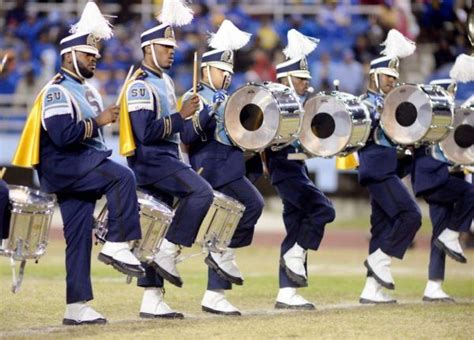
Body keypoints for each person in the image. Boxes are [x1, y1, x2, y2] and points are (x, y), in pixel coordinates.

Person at [12, 2, 144, 325]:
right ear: (69, 56)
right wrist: (99, 120)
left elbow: (87, 134)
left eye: (96, 56)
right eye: (88, 56)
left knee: (80, 236)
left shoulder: (89, 92)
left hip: (78, 165)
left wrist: (105, 119)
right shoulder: (56, 91)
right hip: (65, 166)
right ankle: (116, 242)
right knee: (122, 179)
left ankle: (77, 305)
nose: (94, 60)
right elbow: (62, 136)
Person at [121, 1, 214, 319]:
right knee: (202, 193)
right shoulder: (140, 85)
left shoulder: (165, 81)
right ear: (148, 49)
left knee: (154, 229)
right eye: (164, 46)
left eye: (172, 46)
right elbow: (146, 132)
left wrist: (192, 115)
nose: (171, 51)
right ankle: (170, 250)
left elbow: (175, 128)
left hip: (166, 156)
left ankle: (152, 299)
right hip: (151, 161)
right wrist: (180, 115)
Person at [180, 20, 264, 316]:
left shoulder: (229, 99)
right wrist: (209, 111)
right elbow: (188, 137)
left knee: (224, 227)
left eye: (229, 72)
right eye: (221, 71)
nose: (227, 77)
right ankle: (222, 255)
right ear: (205, 71)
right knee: (253, 204)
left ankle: (214, 294)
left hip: (232, 168)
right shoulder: (194, 98)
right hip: (211, 170)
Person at [268, 29, 335, 310]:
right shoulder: (272, 99)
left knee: (296, 225)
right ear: (284, 78)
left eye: (307, 79)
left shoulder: (300, 103)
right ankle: (295, 256)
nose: (306, 85)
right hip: (284, 167)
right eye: (300, 79)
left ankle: (287, 292)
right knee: (324, 210)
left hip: (297, 166)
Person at [358, 30, 422, 304]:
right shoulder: (364, 104)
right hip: (377, 169)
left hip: (391, 169)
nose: (392, 82)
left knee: (382, 226)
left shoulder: (394, 104)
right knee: (411, 215)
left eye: (395, 78)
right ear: (374, 77)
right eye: (388, 77)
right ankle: (379, 259)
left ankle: (371, 290)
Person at [411, 78, 473, 302]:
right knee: (470, 193)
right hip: (432, 179)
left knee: (439, 232)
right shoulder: (425, 118)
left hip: (442, 177)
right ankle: (453, 233)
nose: (451, 96)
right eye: (448, 92)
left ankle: (433, 286)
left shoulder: (449, 119)